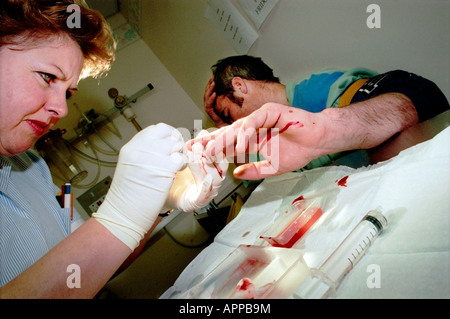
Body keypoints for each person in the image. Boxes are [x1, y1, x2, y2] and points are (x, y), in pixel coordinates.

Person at [0, 0, 226, 298]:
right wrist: (119, 216)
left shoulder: (36, 167)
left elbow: (91, 258)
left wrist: (157, 202)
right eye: (48, 77)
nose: (61, 109)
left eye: (68, 93)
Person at [199, 55, 449, 172]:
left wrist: (328, 128)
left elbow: (410, 97)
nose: (235, 123)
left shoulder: (313, 89)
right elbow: (253, 177)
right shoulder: (270, 135)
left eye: (228, 113)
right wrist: (222, 126)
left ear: (240, 86)